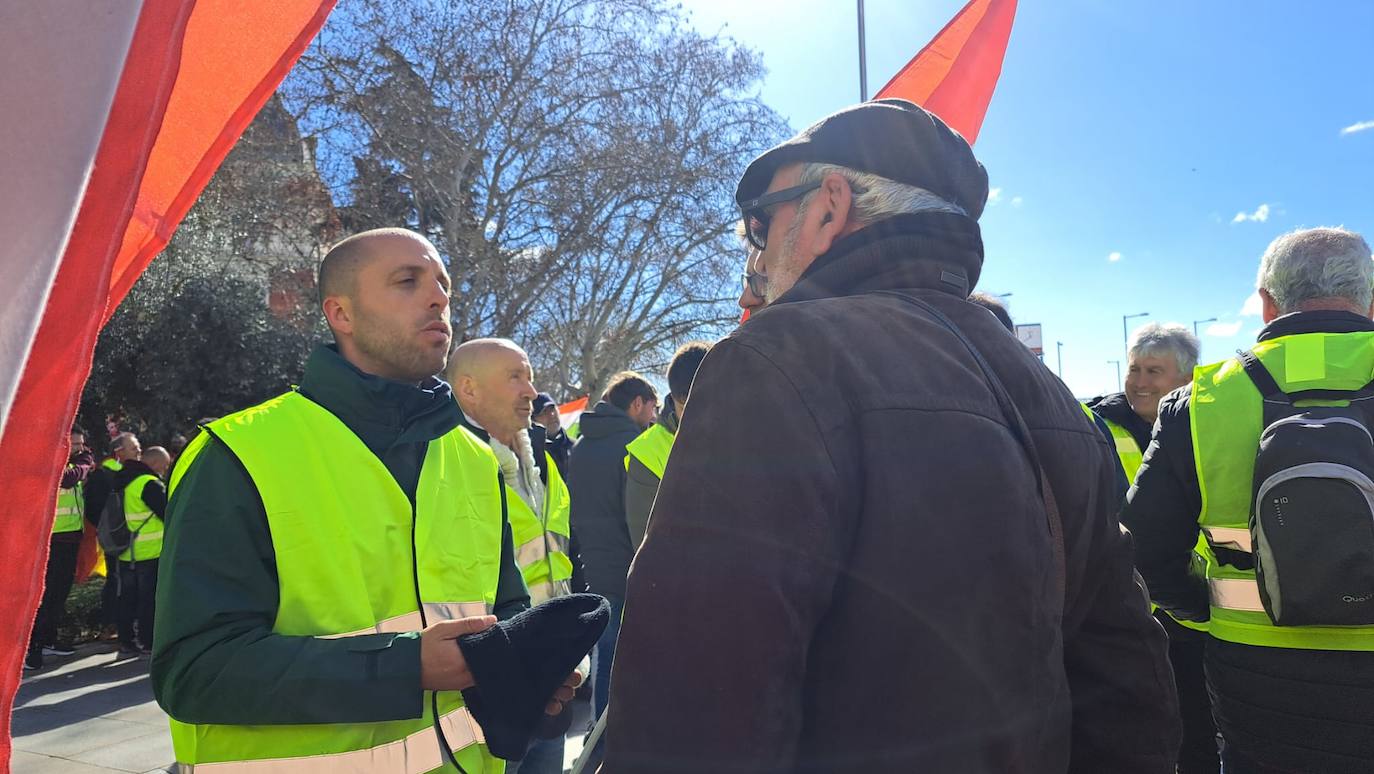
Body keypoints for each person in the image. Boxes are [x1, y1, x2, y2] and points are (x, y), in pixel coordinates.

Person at [603, 99, 1180, 773]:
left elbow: (696, 701)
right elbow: (1126, 677)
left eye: (761, 224)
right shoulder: (1043, 387)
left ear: (828, 207)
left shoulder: (776, 358)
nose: (756, 256)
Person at [152, 227, 568, 771]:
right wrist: (406, 667)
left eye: (443, 283)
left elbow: (502, 613)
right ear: (340, 314)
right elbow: (193, 671)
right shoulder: (235, 455)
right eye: (407, 280)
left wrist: (528, 667)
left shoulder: (473, 458)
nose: (439, 296)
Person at [1123, 227, 1374, 774]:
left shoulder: (1200, 401)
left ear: (1266, 304)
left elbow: (1142, 548)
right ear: (1369, 296)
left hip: (1255, 669)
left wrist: (1208, 608)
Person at [1088, 322, 1217, 774]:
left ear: (1186, 378)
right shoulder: (1097, 426)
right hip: (1127, 604)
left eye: (1154, 371)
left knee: (1197, 724)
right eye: (1135, 369)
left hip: (1193, 605)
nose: (1139, 382)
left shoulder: (1207, 422)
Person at [448, 338, 578, 774]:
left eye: (530, 376)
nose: (531, 391)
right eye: (515, 377)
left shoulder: (542, 457)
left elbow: (560, 552)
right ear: (468, 389)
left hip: (550, 667)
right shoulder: (445, 462)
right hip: (488, 681)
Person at [566, 372, 658, 738]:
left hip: (593, 562)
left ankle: (597, 731)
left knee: (605, 652)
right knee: (618, 657)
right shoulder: (634, 446)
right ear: (636, 403)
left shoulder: (583, 444)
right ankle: (607, 737)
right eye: (651, 406)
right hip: (626, 562)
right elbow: (635, 514)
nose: (653, 415)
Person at [623, 342, 710, 548]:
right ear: (673, 398)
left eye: (705, 401)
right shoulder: (646, 453)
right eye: (685, 405)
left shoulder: (746, 430)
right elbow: (649, 546)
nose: (696, 414)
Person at [25, 427, 97, 670]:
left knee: (59, 593)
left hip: (69, 538)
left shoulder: (72, 463)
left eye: (81, 444)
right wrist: (86, 461)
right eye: (74, 444)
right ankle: (32, 647)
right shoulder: (52, 464)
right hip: (49, 539)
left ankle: (48, 639)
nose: (79, 448)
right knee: (44, 595)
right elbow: (68, 478)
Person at [112, 445, 170, 655]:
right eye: (163, 466)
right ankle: (147, 641)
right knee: (148, 600)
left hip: (127, 550)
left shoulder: (123, 480)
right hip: (150, 551)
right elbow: (168, 512)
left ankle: (126, 640)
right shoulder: (149, 483)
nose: (164, 470)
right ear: (154, 463)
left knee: (127, 598)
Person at [85, 431, 141, 642]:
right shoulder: (105, 475)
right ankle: (112, 624)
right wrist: (111, 529)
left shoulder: (130, 473)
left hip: (135, 539)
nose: (138, 451)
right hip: (117, 539)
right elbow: (93, 509)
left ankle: (127, 624)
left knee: (129, 580)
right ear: (119, 452)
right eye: (134, 448)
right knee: (117, 580)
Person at [531, 393, 573, 476]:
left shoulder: (576, 446)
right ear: (533, 420)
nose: (552, 415)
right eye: (544, 412)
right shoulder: (531, 453)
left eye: (553, 409)